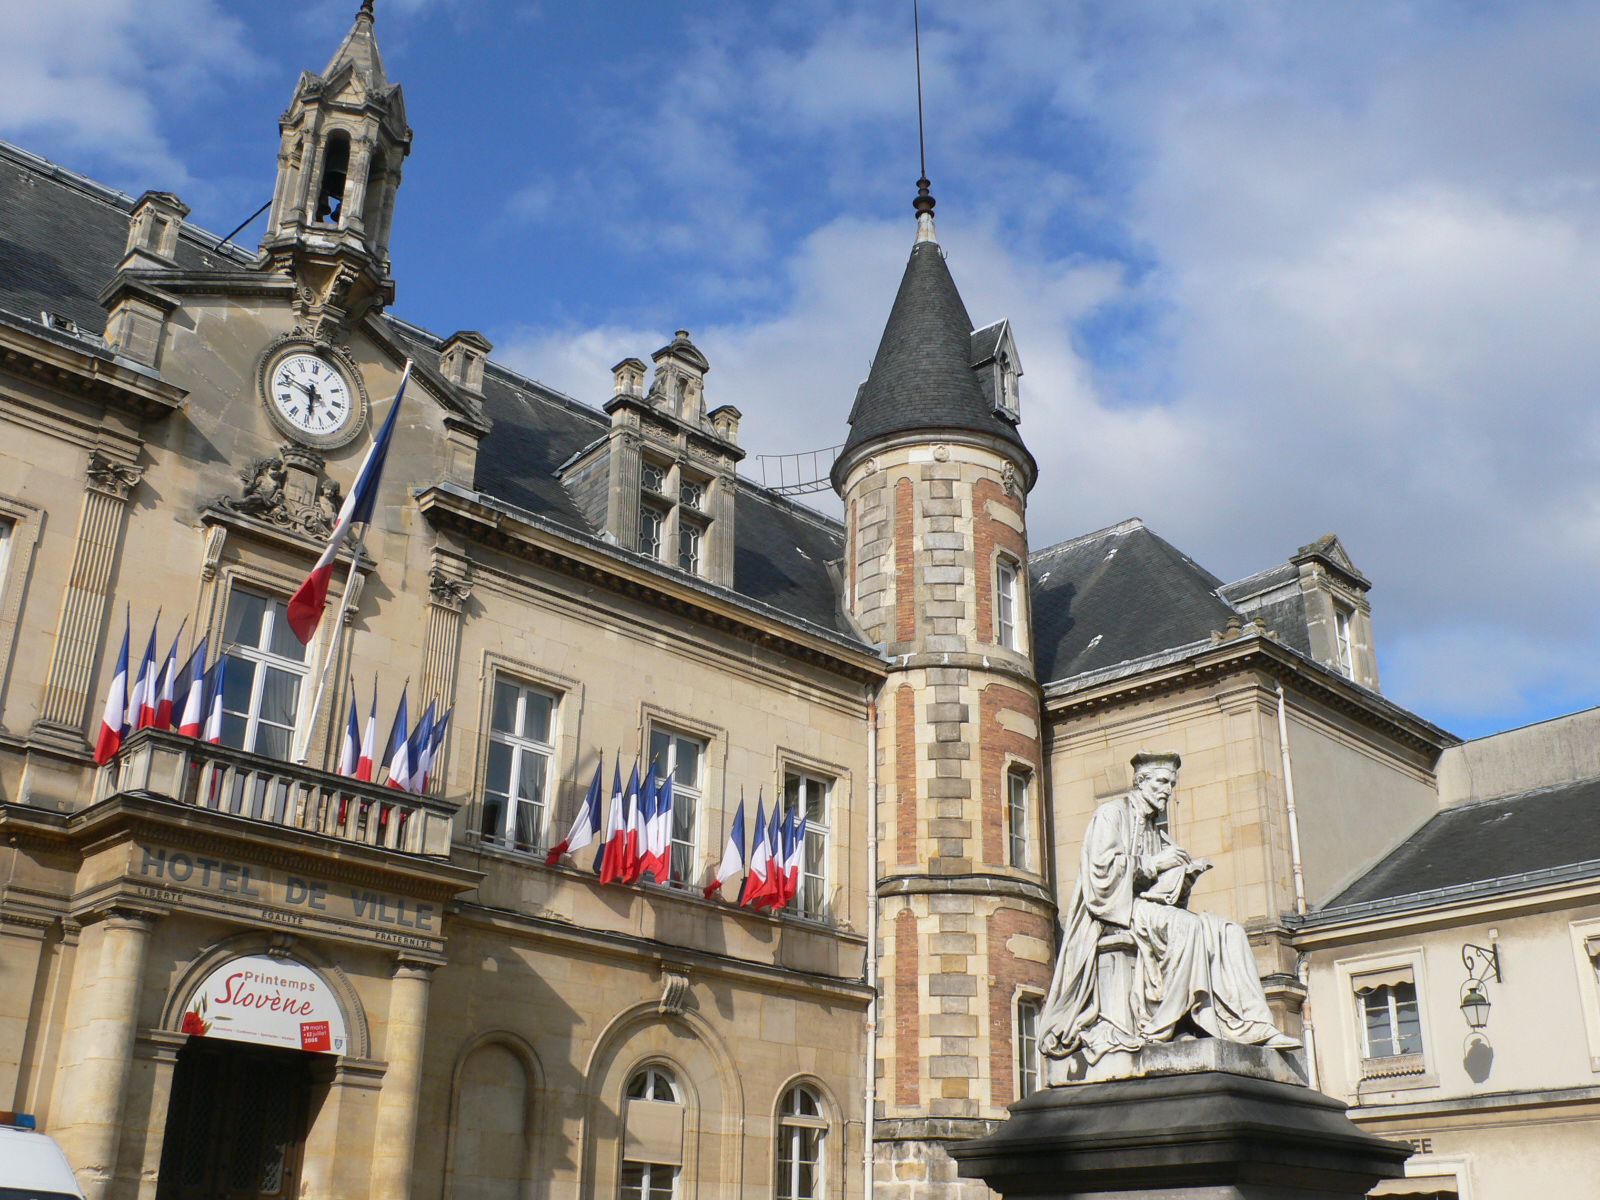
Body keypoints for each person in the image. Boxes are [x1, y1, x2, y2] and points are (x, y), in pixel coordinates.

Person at [1039, 751, 1300, 1065]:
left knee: (1228, 931)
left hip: (1147, 910)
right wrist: (1153, 865)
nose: (1167, 790)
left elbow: (1164, 894)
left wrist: (1182, 877)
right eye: (1162, 782)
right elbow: (1101, 875)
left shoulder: (1156, 831)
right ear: (1141, 781)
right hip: (1114, 914)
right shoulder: (1112, 814)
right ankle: (1164, 1025)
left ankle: (1254, 1025)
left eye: (1171, 784)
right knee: (1186, 927)